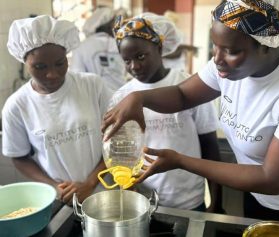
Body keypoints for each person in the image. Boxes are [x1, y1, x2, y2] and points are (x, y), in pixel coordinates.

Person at [102, 0, 279, 223]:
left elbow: (272, 179)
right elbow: (182, 95)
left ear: (268, 44)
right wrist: (138, 98)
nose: (217, 59)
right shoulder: (227, 66)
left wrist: (181, 161)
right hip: (255, 194)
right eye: (214, 45)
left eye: (231, 51)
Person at [111, 12, 223, 212]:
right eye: (126, 60)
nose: (134, 66)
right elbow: (123, 154)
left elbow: (209, 146)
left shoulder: (189, 87)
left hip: (189, 197)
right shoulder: (122, 98)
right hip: (145, 202)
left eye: (141, 56)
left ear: (160, 48)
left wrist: (216, 202)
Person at [2, 15, 112, 204]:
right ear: (24, 62)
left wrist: (91, 182)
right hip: (63, 200)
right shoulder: (17, 106)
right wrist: (54, 187)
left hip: (106, 192)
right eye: (39, 67)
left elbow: (116, 139)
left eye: (60, 63)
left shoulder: (92, 86)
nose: (52, 74)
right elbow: (19, 157)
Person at [70, 6, 127, 91]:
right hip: (122, 98)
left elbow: (76, 78)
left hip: (93, 99)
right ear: (110, 26)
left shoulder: (81, 47)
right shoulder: (122, 44)